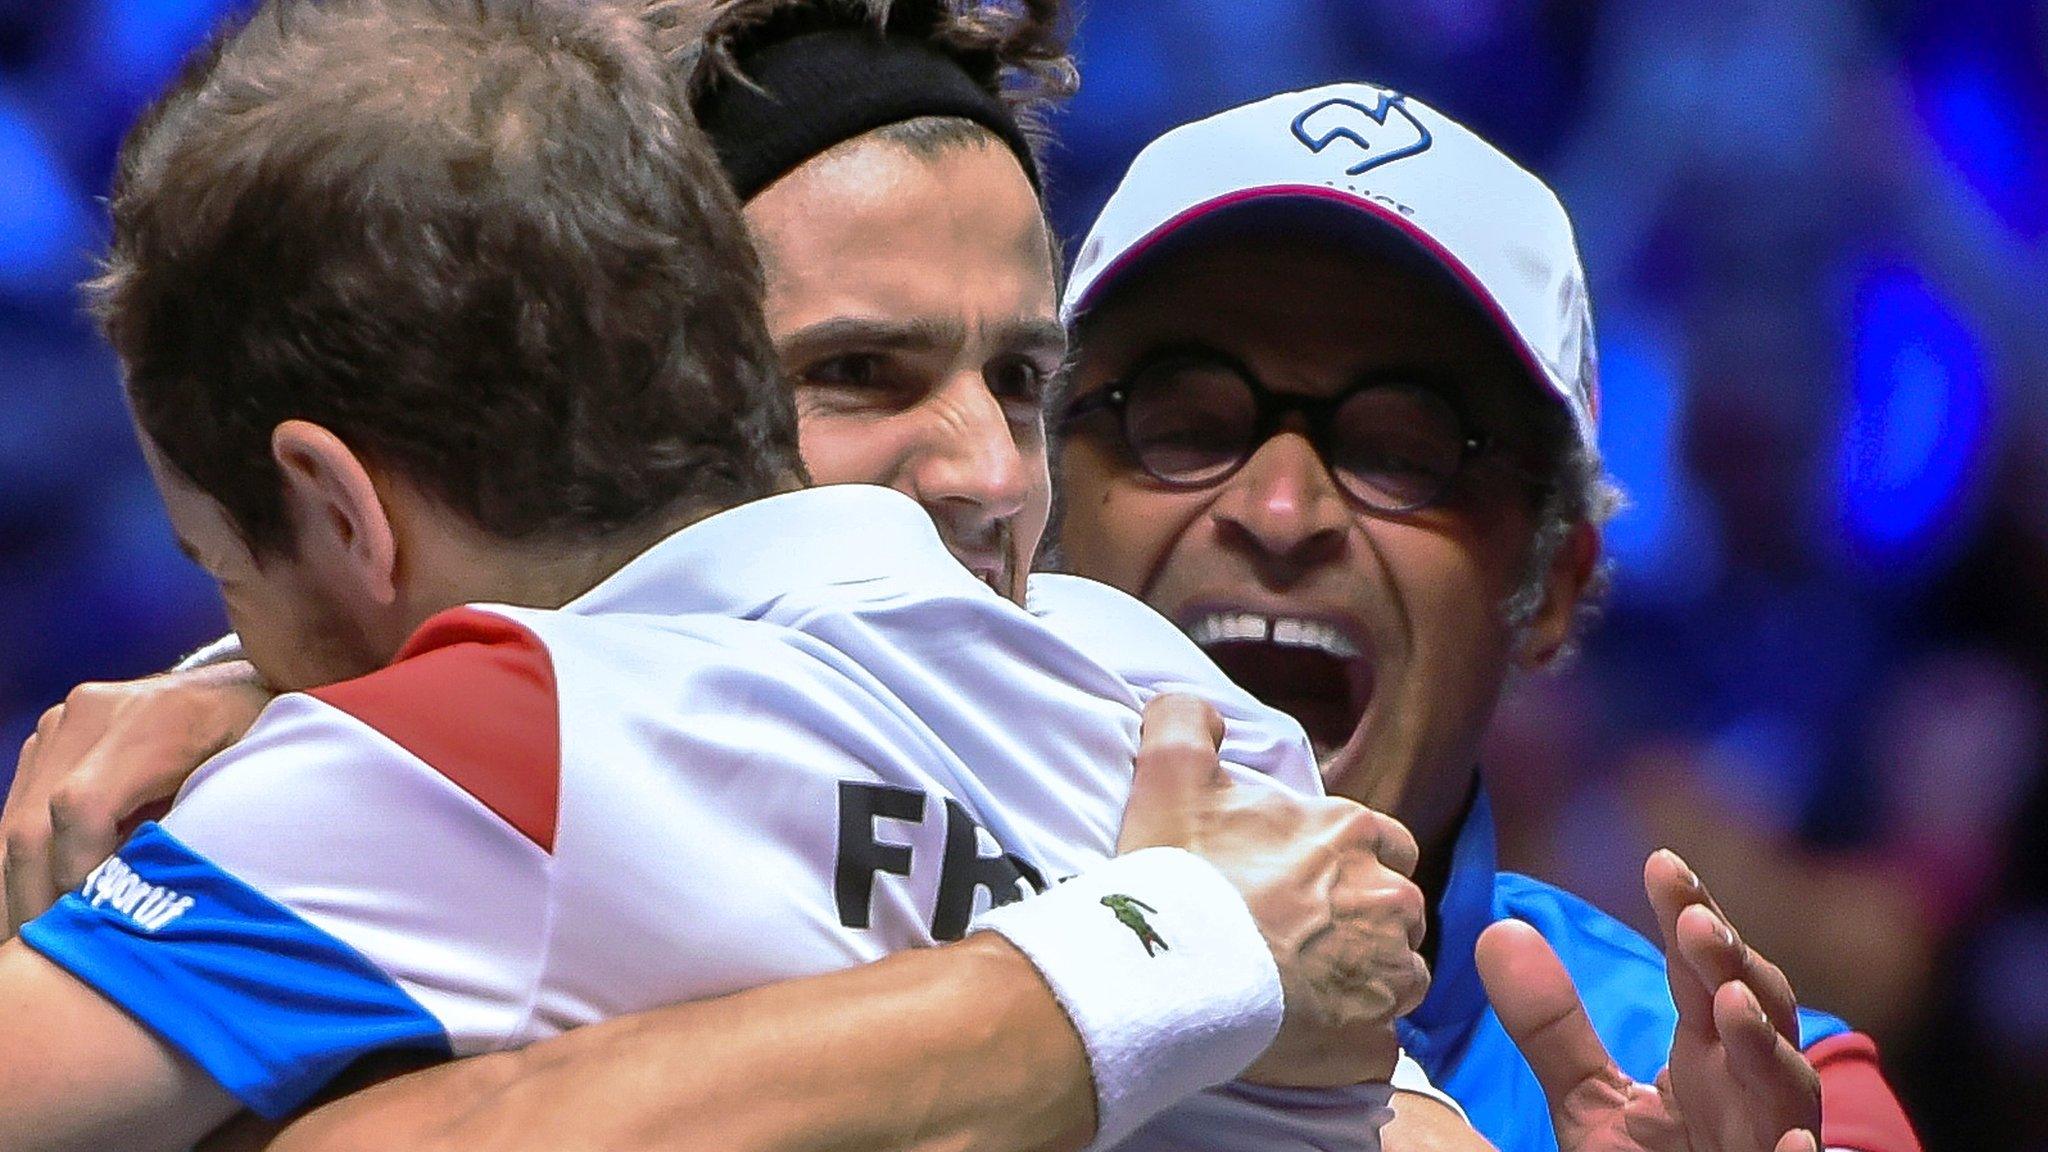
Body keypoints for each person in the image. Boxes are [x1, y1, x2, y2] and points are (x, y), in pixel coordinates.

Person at [0, 3, 1468, 1151]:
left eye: (1024, 380)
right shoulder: (1194, 737)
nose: (991, 477)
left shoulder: (447, 760)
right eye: (854, 373)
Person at [1049, 82, 1922, 1152]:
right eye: (1181, 419)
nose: (1279, 512)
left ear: (1549, 584)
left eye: (1398, 449)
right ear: (1035, 505)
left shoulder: (1746, 1097)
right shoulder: (837, 954)